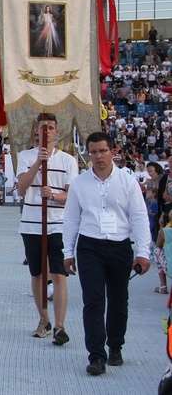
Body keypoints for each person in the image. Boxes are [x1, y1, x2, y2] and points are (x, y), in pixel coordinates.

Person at [62, 131, 152, 376]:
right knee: (93, 301)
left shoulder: (128, 181)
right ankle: (96, 355)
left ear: (113, 152)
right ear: (88, 154)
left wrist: (143, 252)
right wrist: (67, 252)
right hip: (90, 246)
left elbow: (139, 217)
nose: (98, 156)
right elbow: (71, 218)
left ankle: (115, 346)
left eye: (102, 151)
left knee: (118, 300)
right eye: (93, 152)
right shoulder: (80, 183)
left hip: (120, 246)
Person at [16, 113, 78, 347]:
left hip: (58, 225)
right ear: (36, 132)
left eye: (50, 128)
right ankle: (44, 320)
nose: (46, 132)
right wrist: (36, 165)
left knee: (59, 274)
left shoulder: (68, 161)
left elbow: (72, 195)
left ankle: (60, 325)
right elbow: (21, 188)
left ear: (56, 132)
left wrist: (52, 195)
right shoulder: (25, 156)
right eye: (42, 128)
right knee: (37, 273)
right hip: (31, 223)